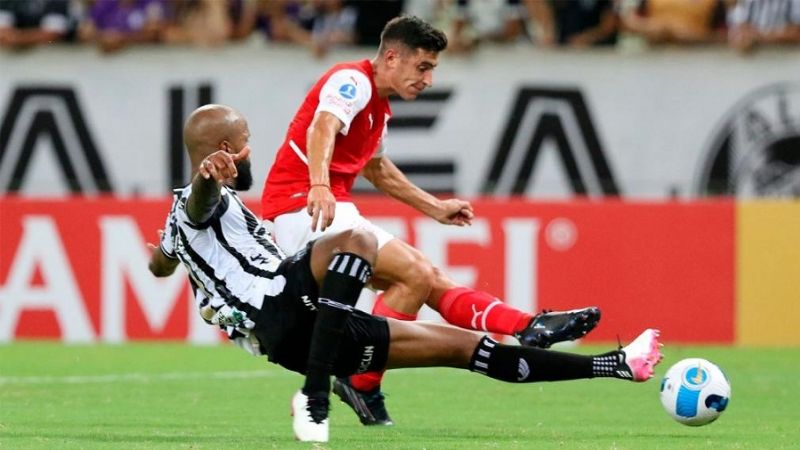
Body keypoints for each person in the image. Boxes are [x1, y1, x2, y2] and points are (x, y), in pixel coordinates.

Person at [151, 104, 663, 443]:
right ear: (222, 149)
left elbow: (161, 263)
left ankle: (617, 365)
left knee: (468, 349)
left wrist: (163, 255)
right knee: (356, 241)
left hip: (299, 338)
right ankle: (316, 391)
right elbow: (198, 204)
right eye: (242, 143)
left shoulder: (178, 230)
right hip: (277, 304)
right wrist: (204, 181)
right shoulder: (196, 203)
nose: (249, 151)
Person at [260, 14, 601, 426]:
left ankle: (526, 325)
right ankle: (361, 378)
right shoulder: (351, 81)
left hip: (325, 206)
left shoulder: (378, 108)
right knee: (417, 273)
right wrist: (319, 185)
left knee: (425, 279)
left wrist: (433, 207)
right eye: (423, 67)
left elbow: (378, 169)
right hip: (304, 207)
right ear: (391, 57)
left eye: (432, 70)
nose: (428, 79)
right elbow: (322, 126)